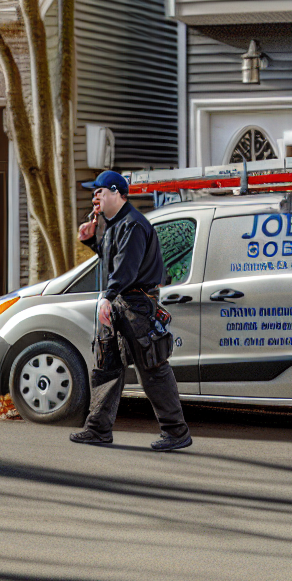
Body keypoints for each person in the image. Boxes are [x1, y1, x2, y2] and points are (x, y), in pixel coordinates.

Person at [68, 169, 192, 452]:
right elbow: (116, 261)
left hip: (136, 306)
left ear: (114, 191)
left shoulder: (133, 225)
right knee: (106, 367)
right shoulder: (115, 224)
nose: (94, 196)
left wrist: (107, 297)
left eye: (98, 190)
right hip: (121, 304)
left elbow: (127, 269)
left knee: (153, 370)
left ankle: (176, 432)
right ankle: (97, 429)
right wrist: (91, 242)